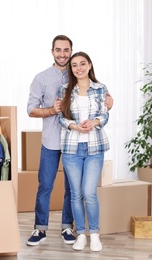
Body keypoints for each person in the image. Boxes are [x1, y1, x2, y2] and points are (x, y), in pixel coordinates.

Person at [26, 35, 113, 246]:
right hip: (52, 140)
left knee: (71, 189)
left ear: (71, 51)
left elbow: (101, 103)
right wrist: (51, 110)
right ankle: (40, 228)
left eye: (67, 50)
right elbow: (31, 110)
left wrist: (108, 104)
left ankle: (68, 227)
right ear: (52, 51)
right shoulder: (42, 78)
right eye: (59, 50)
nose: (63, 54)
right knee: (45, 185)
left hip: (75, 143)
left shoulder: (80, 76)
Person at [58, 51, 110, 252]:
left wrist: (95, 122)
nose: (78, 68)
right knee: (76, 194)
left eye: (82, 64)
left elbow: (105, 114)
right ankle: (81, 234)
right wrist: (74, 126)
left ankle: (94, 234)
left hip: (94, 147)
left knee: (89, 192)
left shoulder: (100, 88)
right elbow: (61, 117)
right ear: (71, 69)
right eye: (74, 65)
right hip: (71, 148)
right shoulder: (65, 90)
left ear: (89, 65)